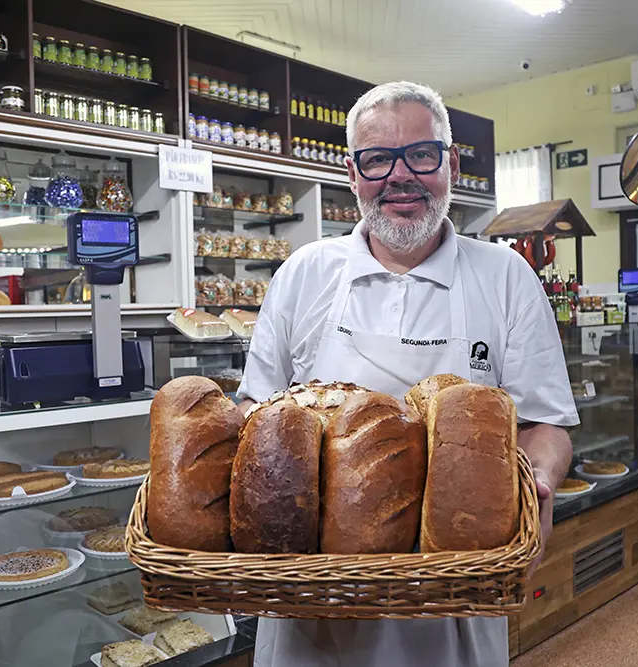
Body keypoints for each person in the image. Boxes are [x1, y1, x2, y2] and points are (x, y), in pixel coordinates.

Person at [236, 80, 579, 667]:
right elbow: (255, 414)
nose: (401, 175)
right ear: (352, 174)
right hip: (313, 610)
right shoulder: (303, 274)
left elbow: (544, 424)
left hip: (454, 609)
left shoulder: (504, 276)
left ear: (451, 162)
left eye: (421, 154)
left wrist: (537, 481)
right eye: (377, 159)